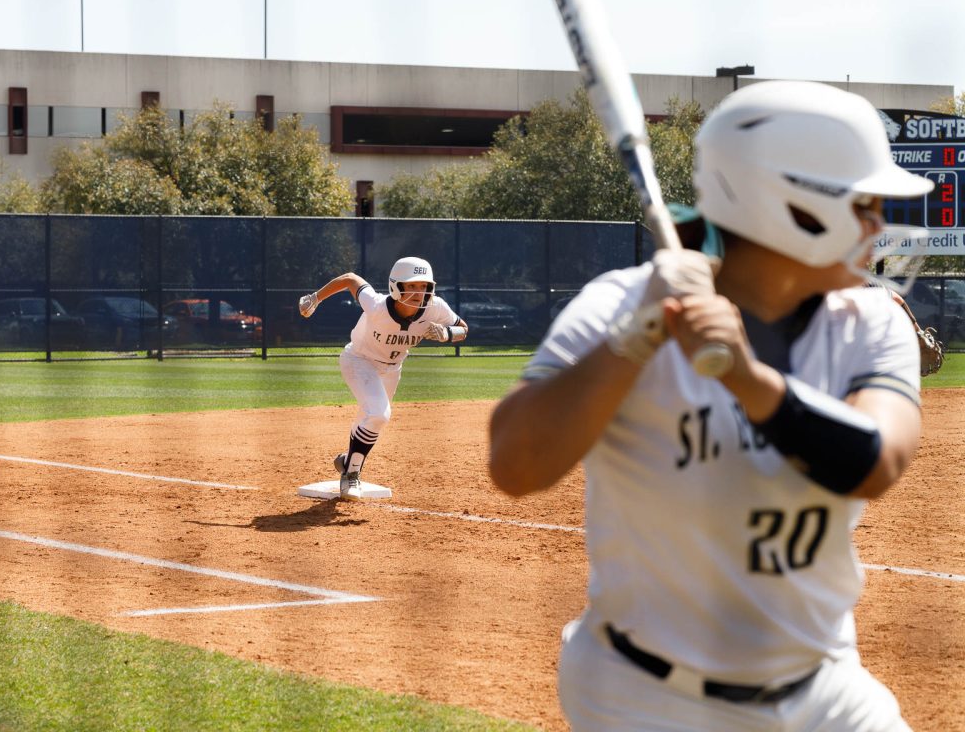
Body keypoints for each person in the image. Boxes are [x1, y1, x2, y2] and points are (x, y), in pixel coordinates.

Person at [488, 81, 929, 731]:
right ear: (794, 206)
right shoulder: (622, 304)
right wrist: (632, 341)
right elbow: (515, 465)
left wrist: (748, 379)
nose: (877, 226)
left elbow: (876, 462)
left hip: (827, 688)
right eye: (864, 204)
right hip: (647, 697)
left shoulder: (870, 321)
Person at [299, 256, 467, 499]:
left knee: (371, 418)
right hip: (359, 360)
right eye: (411, 286)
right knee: (379, 413)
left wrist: (448, 333)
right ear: (395, 286)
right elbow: (350, 279)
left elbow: (464, 329)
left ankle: (348, 460)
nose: (419, 293)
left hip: (392, 369)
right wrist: (315, 298)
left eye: (423, 286)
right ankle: (351, 476)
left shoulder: (436, 307)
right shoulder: (377, 305)